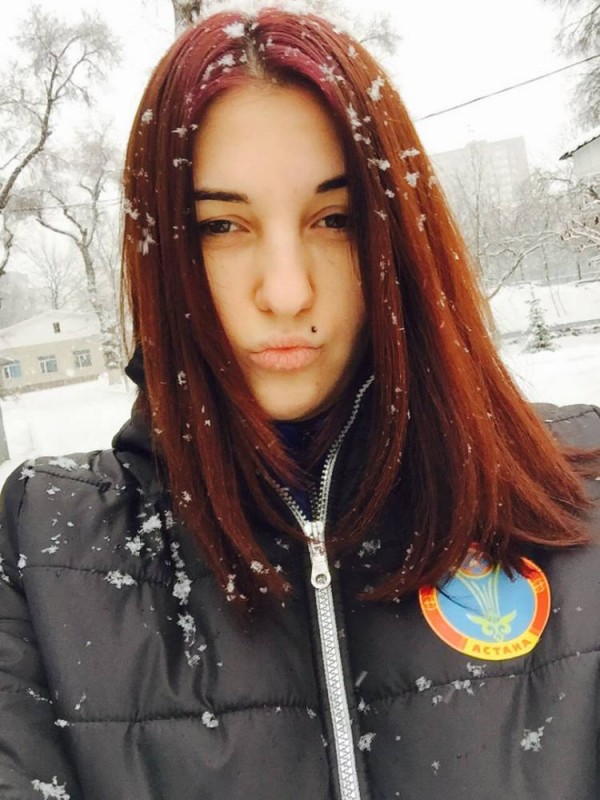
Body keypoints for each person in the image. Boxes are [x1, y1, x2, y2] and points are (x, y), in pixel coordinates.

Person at [0, 8, 598, 800]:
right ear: (164, 251)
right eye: (221, 225)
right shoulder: (46, 551)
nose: (285, 292)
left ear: (398, 236)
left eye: (334, 219)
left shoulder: (578, 497)